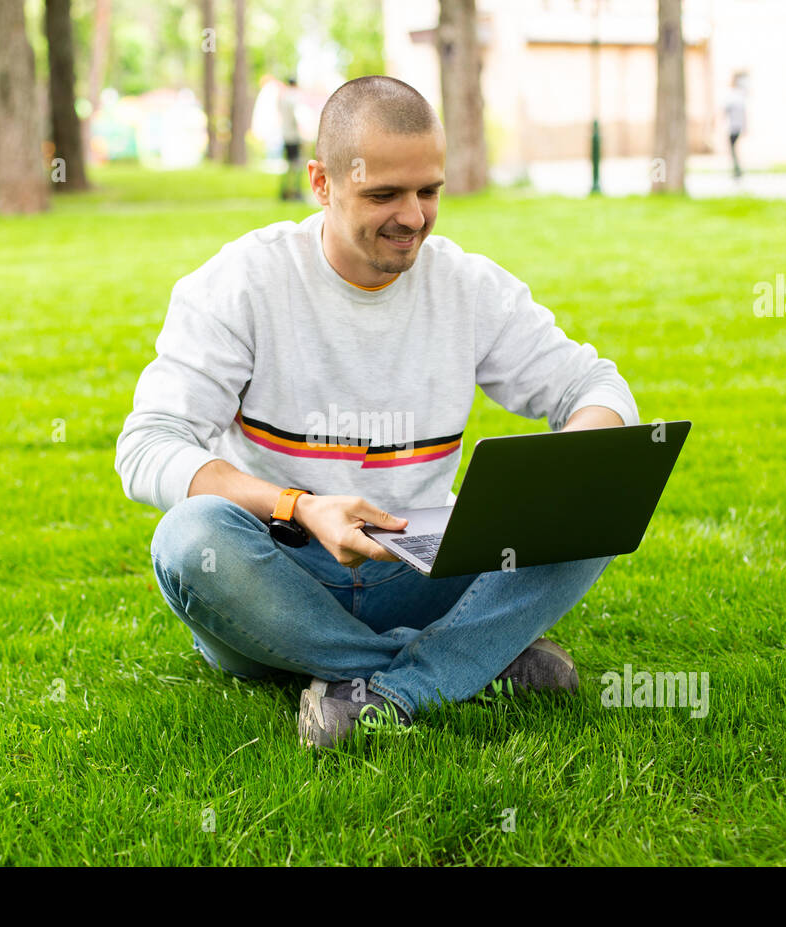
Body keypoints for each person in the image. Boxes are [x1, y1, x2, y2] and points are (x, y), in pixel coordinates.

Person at [115, 75, 639, 750]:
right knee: (188, 540)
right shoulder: (241, 283)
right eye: (384, 194)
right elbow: (148, 447)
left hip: (422, 570)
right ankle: (469, 661)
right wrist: (300, 507)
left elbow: (593, 384)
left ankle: (384, 691)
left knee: (600, 500)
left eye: (429, 191)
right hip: (278, 576)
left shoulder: (467, 287)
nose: (414, 216)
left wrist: (575, 466)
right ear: (322, 182)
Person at [278, 76, 305, 201]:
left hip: (285, 135)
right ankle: (295, 191)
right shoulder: (293, 98)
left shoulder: (283, 98)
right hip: (294, 136)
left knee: (288, 164)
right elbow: (296, 117)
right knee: (296, 164)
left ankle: (285, 190)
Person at [724, 78, 747, 179]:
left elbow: (724, 111)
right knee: (734, 149)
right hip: (739, 127)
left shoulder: (731, 97)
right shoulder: (740, 97)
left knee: (732, 149)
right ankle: (737, 169)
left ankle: (737, 170)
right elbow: (744, 114)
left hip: (732, 127)